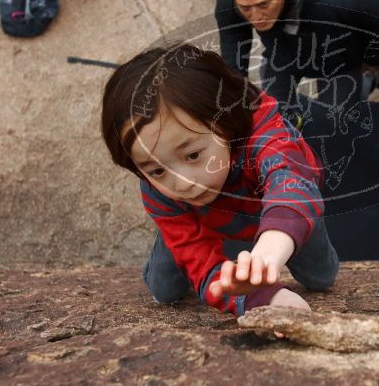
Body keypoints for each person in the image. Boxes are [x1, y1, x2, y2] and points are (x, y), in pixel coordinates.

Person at [100, 43, 339, 316]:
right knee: (163, 291)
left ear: (226, 122)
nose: (182, 182)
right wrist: (255, 297)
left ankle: (299, 221)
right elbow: (211, 278)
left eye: (192, 155)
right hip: (198, 214)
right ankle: (177, 230)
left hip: (283, 205)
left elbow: (290, 183)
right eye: (156, 170)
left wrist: (265, 259)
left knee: (322, 278)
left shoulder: (267, 137)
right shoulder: (162, 191)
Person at [215, 0, 379, 117]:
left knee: (338, 124)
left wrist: (374, 59)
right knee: (276, 118)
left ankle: (366, 80)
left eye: (263, 5)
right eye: (245, 8)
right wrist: (236, 84)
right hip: (281, 55)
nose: (256, 17)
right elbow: (233, 36)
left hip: (340, 61)